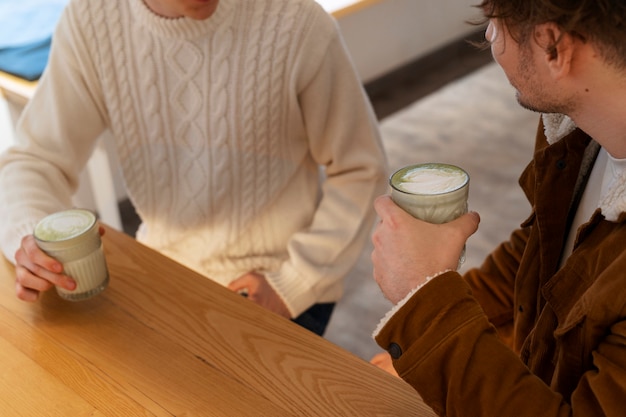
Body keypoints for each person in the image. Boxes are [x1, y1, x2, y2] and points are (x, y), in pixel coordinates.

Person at [0, 0, 387, 337]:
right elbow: (35, 160)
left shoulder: (299, 21)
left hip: (276, 280)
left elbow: (361, 169)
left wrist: (294, 282)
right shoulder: (91, 20)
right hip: (164, 269)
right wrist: (30, 239)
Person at [369, 0, 626, 415]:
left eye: (496, 23)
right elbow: (541, 258)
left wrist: (424, 298)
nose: (489, 37)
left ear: (553, 47)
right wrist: (432, 346)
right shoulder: (582, 131)